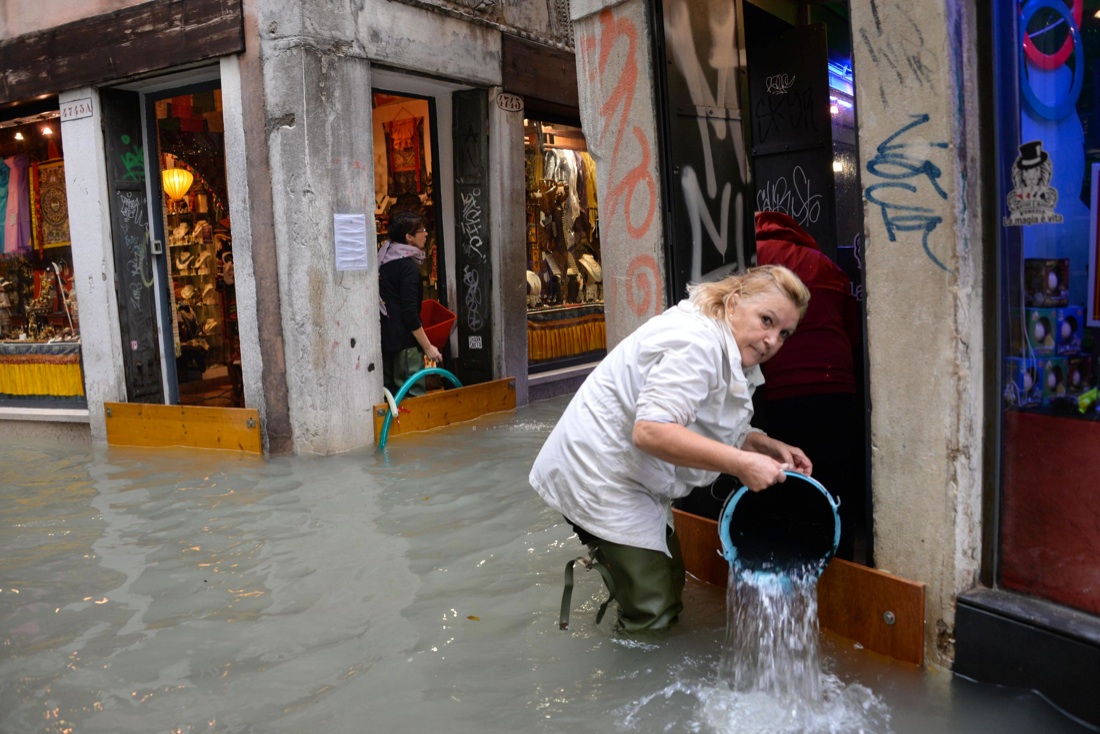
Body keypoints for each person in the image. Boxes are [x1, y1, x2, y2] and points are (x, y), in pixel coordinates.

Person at [530, 265, 812, 632]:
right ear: (734, 303)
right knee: (654, 611)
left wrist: (763, 444)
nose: (772, 340)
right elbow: (651, 431)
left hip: (635, 476)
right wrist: (742, 465)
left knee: (670, 580)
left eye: (784, 333)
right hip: (600, 475)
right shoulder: (696, 343)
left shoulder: (729, 346)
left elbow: (706, 423)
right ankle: (632, 682)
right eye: (766, 320)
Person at [753, 210, 864, 560]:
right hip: (836, 385)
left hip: (780, 388)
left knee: (783, 477)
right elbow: (852, 327)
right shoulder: (822, 262)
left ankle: (787, 559)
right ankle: (839, 559)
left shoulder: (752, 259)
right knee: (832, 479)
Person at [378, 210, 443, 398]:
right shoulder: (408, 269)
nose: (426, 233)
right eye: (422, 230)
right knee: (412, 396)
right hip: (404, 345)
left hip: (387, 341)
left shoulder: (384, 261)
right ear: (409, 237)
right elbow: (409, 314)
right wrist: (428, 347)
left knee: (390, 397)